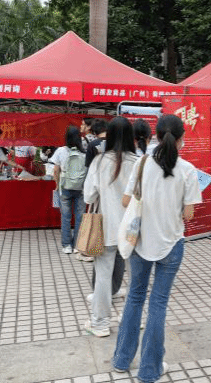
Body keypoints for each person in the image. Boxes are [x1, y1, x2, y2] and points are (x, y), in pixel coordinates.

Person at [112, 115, 202, 382]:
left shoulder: (142, 163)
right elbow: (189, 214)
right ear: (182, 138)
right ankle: (150, 370)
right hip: (171, 243)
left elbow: (126, 200)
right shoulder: (188, 170)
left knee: (135, 297)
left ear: (157, 136)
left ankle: (121, 360)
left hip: (140, 242)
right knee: (158, 304)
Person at [83, 117, 138, 337]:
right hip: (134, 230)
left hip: (106, 227)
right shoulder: (140, 162)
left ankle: (100, 323)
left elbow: (89, 196)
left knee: (103, 277)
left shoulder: (99, 162)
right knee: (136, 277)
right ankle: (131, 319)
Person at [51, 126, 89, 259]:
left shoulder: (60, 151)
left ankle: (67, 245)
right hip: (81, 189)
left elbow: (56, 170)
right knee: (80, 217)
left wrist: (57, 184)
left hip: (65, 188)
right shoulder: (84, 153)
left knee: (66, 217)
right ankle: (77, 245)